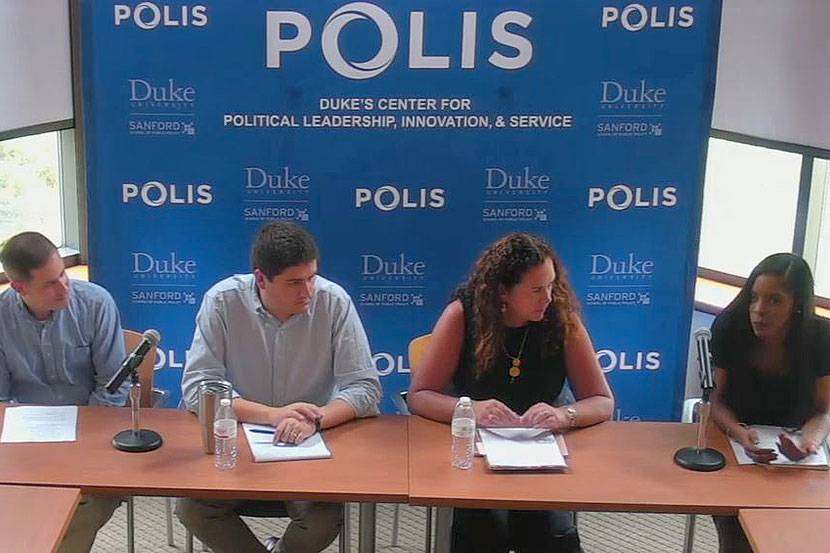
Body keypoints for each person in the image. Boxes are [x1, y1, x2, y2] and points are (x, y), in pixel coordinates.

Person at [176, 221, 382, 553]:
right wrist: (273, 416)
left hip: (309, 447)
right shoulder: (222, 302)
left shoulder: (334, 302)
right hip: (238, 444)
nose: (308, 291)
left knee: (323, 520)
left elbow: (365, 387)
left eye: (312, 277)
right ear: (261, 279)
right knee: (192, 510)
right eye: (294, 282)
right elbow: (200, 388)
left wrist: (314, 419)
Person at [408, 232, 614, 553]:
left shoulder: (562, 318)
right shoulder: (463, 315)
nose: (548, 297)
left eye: (551, 285)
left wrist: (564, 415)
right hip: (479, 452)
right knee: (482, 529)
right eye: (536, 289)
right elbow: (420, 395)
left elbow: (602, 401)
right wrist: (470, 409)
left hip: (542, 453)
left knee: (548, 529)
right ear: (504, 291)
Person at [0, 231, 128, 553]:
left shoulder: (96, 303)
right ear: (20, 288)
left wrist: (81, 441)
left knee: (87, 506)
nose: (64, 287)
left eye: (63, 275)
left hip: (92, 436)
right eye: (50, 283)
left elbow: (113, 385)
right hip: (26, 442)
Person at [710, 253, 830, 553]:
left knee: (800, 536)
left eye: (774, 300)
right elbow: (716, 400)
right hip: (733, 444)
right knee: (739, 543)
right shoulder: (730, 327)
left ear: (797, 306)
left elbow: (824, 410)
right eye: (754, 298)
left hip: (797, 452)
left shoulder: (821, 337)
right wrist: (740, 433)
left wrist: (809, 443)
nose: (759, 310)